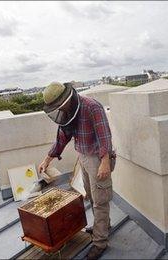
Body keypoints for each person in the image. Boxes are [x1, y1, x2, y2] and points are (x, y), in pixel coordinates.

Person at [38, 82, 114, 260]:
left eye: (59, 105)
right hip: (83, 156)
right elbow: (62, 137)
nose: (59, 108)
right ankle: (103, 226)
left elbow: (105, 136)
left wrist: (105, 162)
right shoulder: (67, 112)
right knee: (91, 195)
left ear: (67, 97)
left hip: (98, 157)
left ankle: (100, 242)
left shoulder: (92, 107)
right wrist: (47, 158)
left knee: (100, 200)